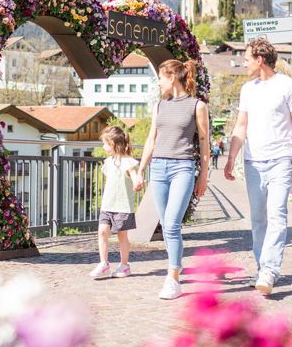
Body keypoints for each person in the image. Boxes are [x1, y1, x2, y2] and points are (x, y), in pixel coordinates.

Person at [224, 38, 292, 295]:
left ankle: (269, 270)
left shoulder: (289, 85)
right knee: (258, 219)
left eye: (247, 58)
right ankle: (262, 268)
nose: (244, 62)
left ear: (260, 59)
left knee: (277, 215)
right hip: (252, 163)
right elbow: (241, 126)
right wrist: (230, 159)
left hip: (281, 161)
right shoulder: (248, 89)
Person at [136, 59, 210, 299]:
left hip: (183, 168)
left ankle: (173, 277)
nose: (158, 83)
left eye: (160, 78)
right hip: (158, 168)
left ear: (172, 77)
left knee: (171, 224)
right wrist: (141, 169)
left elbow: (204, 142)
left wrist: (204, 176)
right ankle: (175, 267)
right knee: (167, 226)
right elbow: (151, 139)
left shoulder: (197, 106)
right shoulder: (160, 105)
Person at [89, 126, 140, 279]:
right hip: (107, 204)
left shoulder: (129, 162)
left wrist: (138, 181)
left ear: (112, 143)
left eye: (104, 143)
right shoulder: (108, 162)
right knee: (102, 231)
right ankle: (103, 264)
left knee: (122, 236)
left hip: (123, 206)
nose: (103, 147)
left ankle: (124, 265)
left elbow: (135, 176)